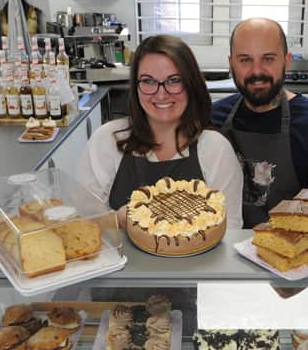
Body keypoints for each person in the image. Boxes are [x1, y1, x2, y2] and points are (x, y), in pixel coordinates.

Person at [77, 35, 243, 228]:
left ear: (191, 84)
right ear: (135, 87)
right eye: (148, 81)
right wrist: (118, 220)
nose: (161, 93)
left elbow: (229, 230)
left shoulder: (216, 149)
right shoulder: (107, 139)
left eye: (174, 80)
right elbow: (83, 222)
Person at [212, 18, 308, 228]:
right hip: (221, 253)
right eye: (245, 59)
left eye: (268, 59)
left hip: (292, 256)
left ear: (287, 61)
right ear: (231, 63)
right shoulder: (211, 121)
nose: (257, 71)